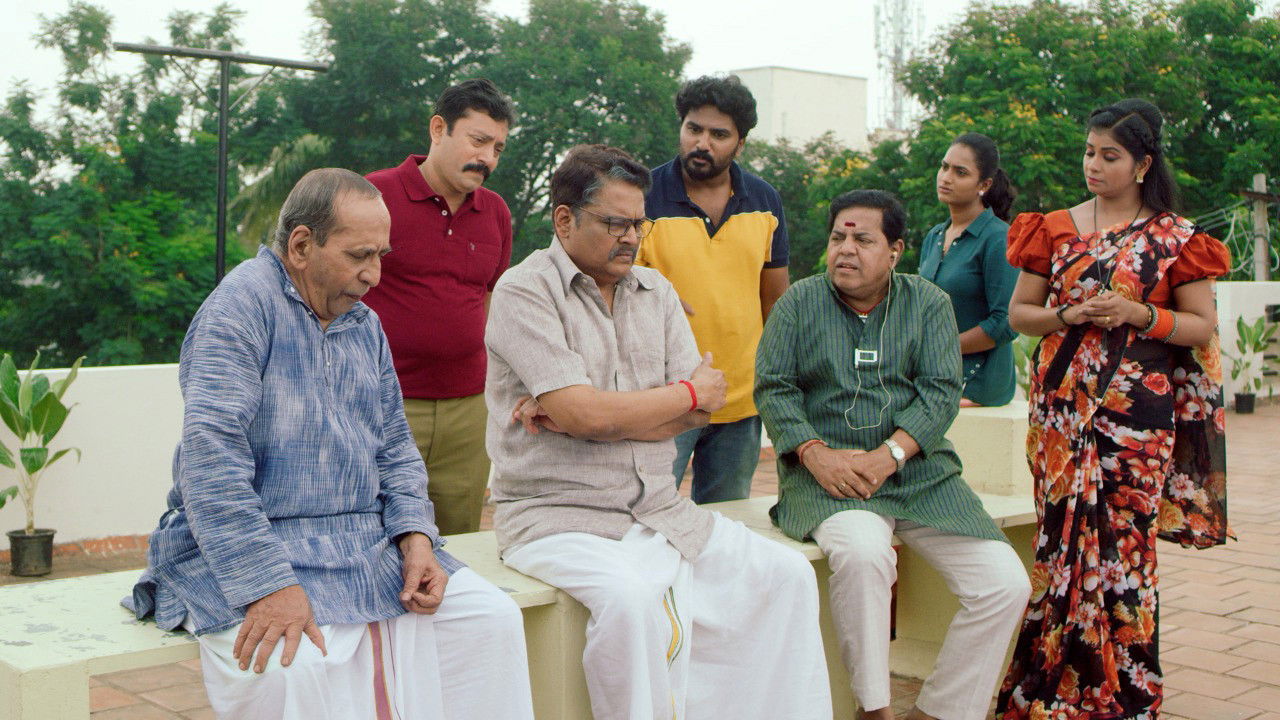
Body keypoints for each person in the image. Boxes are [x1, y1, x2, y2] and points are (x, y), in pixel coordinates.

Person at [126, 169, 533, 720]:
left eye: (381, 255)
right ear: (300, 245)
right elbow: (210, 463)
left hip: (363, 542)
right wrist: (267, 585)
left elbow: (395, 447)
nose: (375, 275)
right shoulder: (239, 311)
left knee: (489, 619)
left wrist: (415, 537)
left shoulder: (363, 325)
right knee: (293, 667)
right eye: (360, 256)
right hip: (250, 545)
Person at [486, 144, 831, 720]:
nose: (631, 238)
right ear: (564, 220)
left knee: (787, 574)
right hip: (558, 515)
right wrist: (673, 398)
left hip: (659, 509)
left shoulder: (656, 291)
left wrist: (598, 412)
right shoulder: (524, 291)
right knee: (628, 602)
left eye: (638, 224)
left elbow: (697, 414)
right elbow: (604, 413)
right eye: (615, 223)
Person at [756, 189, 1030, 720]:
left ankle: (940, 712)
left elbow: (940, 392)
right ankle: (874, 707)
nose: (846, 249)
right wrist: (815, 454)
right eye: (838, 238)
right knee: (863, 555)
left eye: (863, 239)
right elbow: (774, 387)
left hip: (919, 474)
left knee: (1004, 584)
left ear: (895, 250)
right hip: (827, 476)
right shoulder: (799, 302)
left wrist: (891, 455)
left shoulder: (928, 303)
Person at [996, 99, 1230, 719]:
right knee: (1061, 546)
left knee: (1126, 553)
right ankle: (1054, 686)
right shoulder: (1053, 227)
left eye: (1110, 155)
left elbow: (1201, 325)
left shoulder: (1177, 239)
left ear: (1143, 164)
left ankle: (1125, 693)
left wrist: (1137, 313)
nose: (1093, 165)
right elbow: (1020, 314)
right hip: (1061, 415)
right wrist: (1067, 313)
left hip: (1136, 421)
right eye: (1089, 152)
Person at [363, 79, 516, 534]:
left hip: (468, 410)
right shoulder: (372, 197)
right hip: (383, 404)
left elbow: (489, 297)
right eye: (478, 140)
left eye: (498, 148)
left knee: (457, 540)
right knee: (376, 533)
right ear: (438, 129)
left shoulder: (496, 212)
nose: (488, 158)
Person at [640, 75, 791, 503]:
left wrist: (777, 383)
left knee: (726, 520)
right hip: (661, 396)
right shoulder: (642, 196)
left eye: (718, 135)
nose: (702, 143)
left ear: (740, 143)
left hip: (740, 398)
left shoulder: (764, 201)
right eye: (694, 129)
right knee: (647, 512)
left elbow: (775, 303)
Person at [919, 132, 1021, 406]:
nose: (946, 177)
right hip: (932, 374)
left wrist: (942, 348)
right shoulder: (935, 236)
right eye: (944, 167)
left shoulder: (998, 238)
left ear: (984, 184)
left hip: (978, 382)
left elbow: (1006, 322)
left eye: (960, 172)